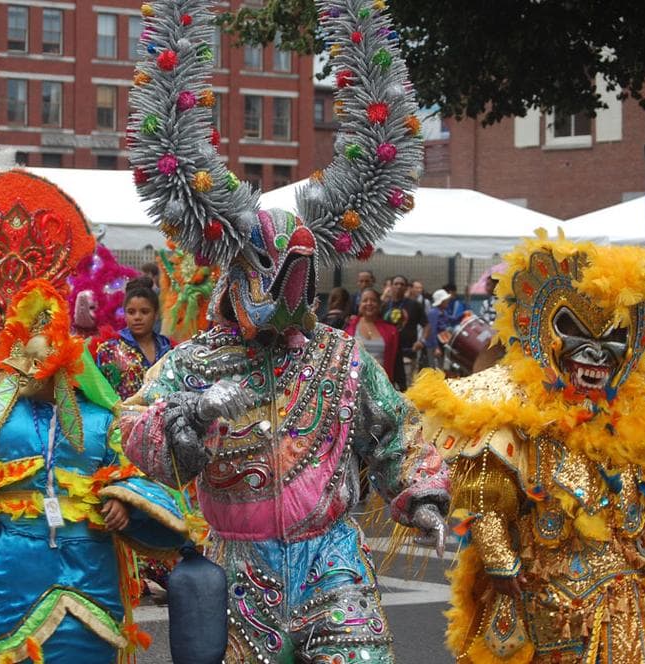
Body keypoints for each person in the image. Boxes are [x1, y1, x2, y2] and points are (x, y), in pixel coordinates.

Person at [124, 1, 450, 660]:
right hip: (238, 568)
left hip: (332, 560)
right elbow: (135, 425)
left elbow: (391, 426)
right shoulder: (194, 361)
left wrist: (419, 492)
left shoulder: (339, 356)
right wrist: (178, 426)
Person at [408, 231, 645, 662]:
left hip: (627, 601)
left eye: (611, 341)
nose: (594, 357)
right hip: (542, 595)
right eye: (576, 334)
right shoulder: (514, 407)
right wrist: (498, 558)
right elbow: (486, 500)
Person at [0, 281, 187, 663]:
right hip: (10, 564)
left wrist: (124, 502)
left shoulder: (101, 420)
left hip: (88, 564)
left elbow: (134, 469)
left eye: (37, 363)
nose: (26, 372)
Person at [95, 280, 172, 400]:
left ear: (156, 314)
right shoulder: (110, 350)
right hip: (122, 417)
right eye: (131, 312)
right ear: (125, 314)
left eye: (144, 312)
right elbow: (101, 394)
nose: (137, 317)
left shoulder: (168, 348)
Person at [381, 274, 430, 390]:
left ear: (406, 288)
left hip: (407, 353)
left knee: (406, 387)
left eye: (402, 284)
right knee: (386, 385)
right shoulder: (384, 306)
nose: (398, 286)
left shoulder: (414, 305)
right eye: (396, 284)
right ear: (391, 286)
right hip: (388, 353)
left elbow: (427, 325)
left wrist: (421, 341)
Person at [344, 288, 399, 380]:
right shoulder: (349, 329)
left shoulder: (391, 331)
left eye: (373, 300)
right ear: (359, 304)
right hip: (353, 385)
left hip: (381, 386)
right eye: (365, 300)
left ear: (379, 304)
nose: (369, 303)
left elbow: (397, 362)